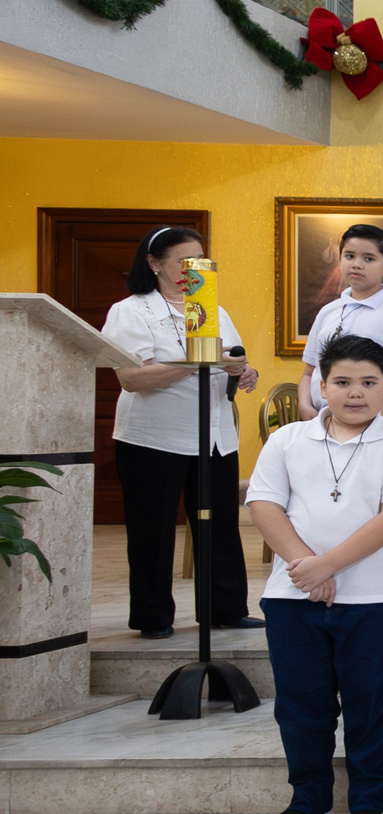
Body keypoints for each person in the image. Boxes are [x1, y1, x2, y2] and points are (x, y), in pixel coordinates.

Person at [244, 335, 383, 814]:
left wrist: (326, 567)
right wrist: (307, 568)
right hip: (292, 596)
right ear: (322, 387)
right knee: (301, 706)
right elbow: (263, 505)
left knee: (372, 705)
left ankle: (368, 804)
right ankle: (309, 802)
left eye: (368, 382)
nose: (354, 393)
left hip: (373, 598)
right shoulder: (288, 440)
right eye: (342, 382)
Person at [104, 225, 259, 637]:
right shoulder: (131, 311)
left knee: (219, 524)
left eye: (201, 262)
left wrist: (244, 372)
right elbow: (132, 379)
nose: (195, 270)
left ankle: (226, 607)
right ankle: (153, 617)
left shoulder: (212, 308)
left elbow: (232, 359)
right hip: (154, 437)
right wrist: (196, 362)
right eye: (185, 261)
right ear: (154, 263)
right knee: (152, 530)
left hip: (214, 435)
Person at [299, 224, 383, 411]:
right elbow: (309, 372)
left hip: (373, 417)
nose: (356, 264)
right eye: (349, 256)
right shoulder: (328, 311)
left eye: (368, 258)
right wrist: (304, 405)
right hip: (323, 418)